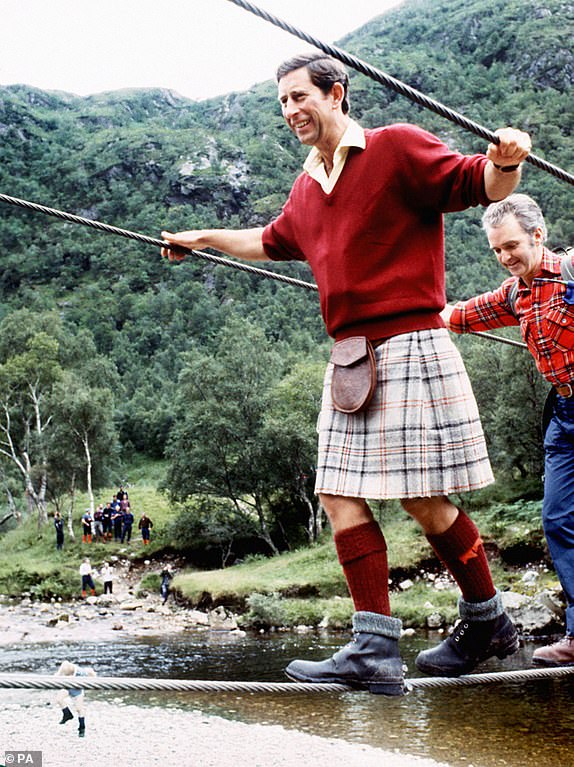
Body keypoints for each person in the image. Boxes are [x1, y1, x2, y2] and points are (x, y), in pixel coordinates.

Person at [161, 52, 531, 693]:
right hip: (352, 358)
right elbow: (271, 239)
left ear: (337, 94)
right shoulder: (308, 186)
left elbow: (482, 186)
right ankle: (375, 648)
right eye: (281, 101)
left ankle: (487, 623)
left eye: (299, 96)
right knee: (335, 491)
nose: (290, 110)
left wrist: (508, 159)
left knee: (421, 497)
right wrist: (203, 237)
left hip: (409, 344)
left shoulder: (396, 149)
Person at [442, 193, 574, 667]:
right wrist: (408, 311)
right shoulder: (515, 294)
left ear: (539, 236)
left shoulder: (571, 272)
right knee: (557, 520)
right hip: (563, 415)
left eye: (512, 246)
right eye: (497, 250)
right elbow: (458, 316)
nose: (505, 257)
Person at [55, 660, 96, 737]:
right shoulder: (65, 665)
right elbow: (58, 674)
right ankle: (67, 714)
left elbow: (92, 674)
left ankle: (82, 727)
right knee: (59, 699)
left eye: (67, 674)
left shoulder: (82, 672)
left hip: (78, 690)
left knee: (79, 709)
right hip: (68, 687)